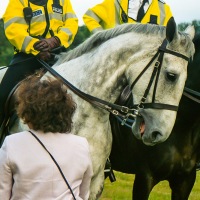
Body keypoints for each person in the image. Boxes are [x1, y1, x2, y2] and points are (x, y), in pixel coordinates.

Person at [0, 73, 93, 200]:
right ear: (66, 111)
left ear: (27, 111)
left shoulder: (11, 143)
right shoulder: (82, 144)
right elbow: (83, 194)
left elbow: (2, 194)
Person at [0, 0, 78, 127]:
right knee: (2, 95)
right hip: (28, 55)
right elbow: (13, 28)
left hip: (60, 53)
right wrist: (34, 46)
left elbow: (72, 22)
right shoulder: (18, 2)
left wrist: (56, 40)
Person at [83, 0, 173, 33]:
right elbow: (89, 16)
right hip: (114, 58)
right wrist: (102, 37)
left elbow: (170, 38)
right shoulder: (115, 2)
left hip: (145, 63)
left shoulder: (164, 9)